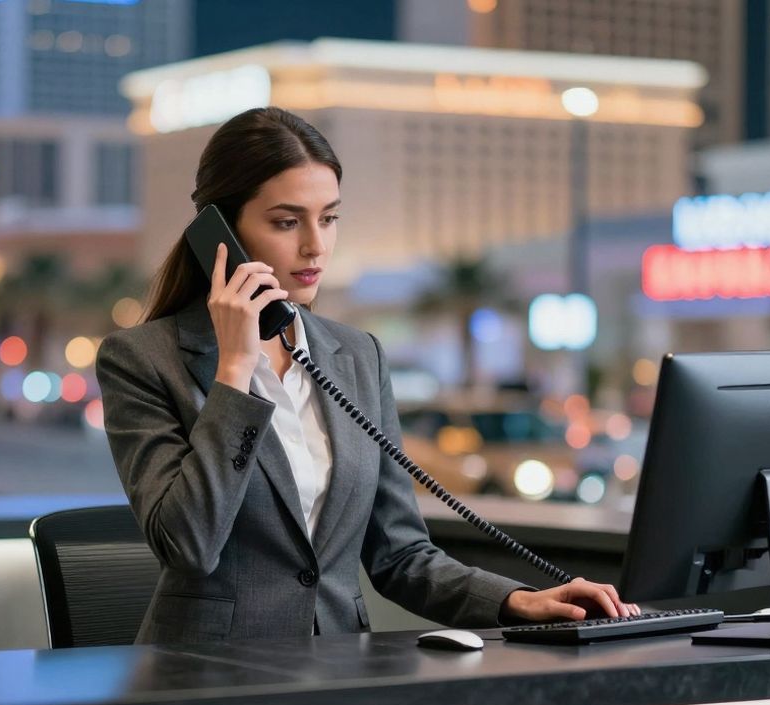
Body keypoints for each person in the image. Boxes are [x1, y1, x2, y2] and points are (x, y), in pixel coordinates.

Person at [96, 106, 636, 644]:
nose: (315, 246)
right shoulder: (143, 359)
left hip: (338, 676)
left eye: (328, 218)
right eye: (287, 222)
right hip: (202, 681)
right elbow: (188, 545)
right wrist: (235, 370)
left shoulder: (356, 357)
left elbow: (400, 554)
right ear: (219, 233)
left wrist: (517, 600)